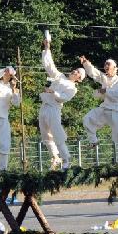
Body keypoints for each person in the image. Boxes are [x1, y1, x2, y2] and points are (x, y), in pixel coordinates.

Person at [39, 39, 84, 169]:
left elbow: (63, 98)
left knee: (57, 134)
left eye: (77, 73)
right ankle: (55, 157)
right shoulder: (60, 77)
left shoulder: (73, 88)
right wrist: (47, 48)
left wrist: (53, 92)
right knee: (45, 135)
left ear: (79, 79)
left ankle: (66, 159)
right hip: (45, 107)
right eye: (75, 70)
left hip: (54, 109)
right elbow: (50, 66)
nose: (74, 72)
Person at [79, 55, 118, 164]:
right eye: (105, 64)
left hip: (116, 111)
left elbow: (117, 94)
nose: (106, 66)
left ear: (115, 68)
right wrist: (86, 63)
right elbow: (94, 72)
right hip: (105, 109)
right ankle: (94, 141)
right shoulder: (104, 78)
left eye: (108, 64)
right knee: (88, 119)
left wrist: (105, 91)